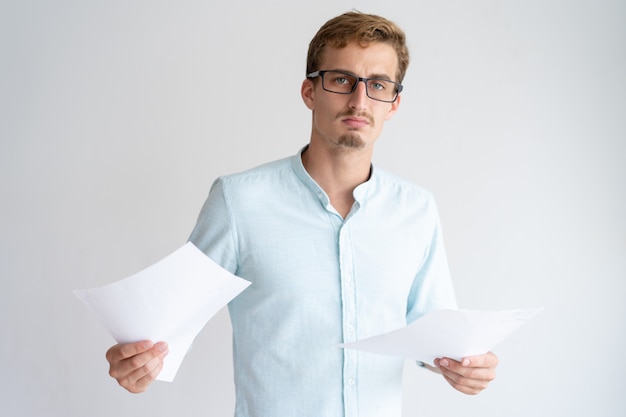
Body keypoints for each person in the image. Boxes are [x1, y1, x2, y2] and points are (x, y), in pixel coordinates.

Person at [105, 11, 498, 417]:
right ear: (310, 92)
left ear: (393, 104)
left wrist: (467, 367)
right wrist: (136, 362)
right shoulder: (240, 202)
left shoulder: (417, 210)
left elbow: (439, 339)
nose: (359, 100)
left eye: (378, 85)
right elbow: (163, 326)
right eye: (342, 80)